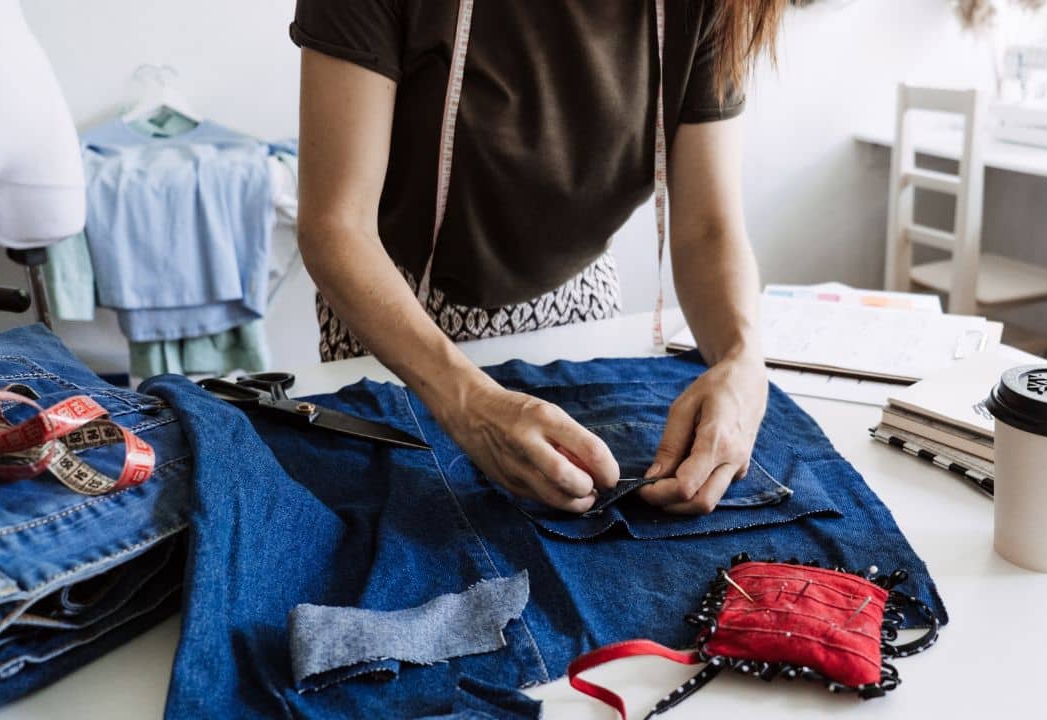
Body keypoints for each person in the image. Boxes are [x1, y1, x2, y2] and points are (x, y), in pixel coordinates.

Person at [292, 0, 785, 516]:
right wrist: (467, 401)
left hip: (576, 305)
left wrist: (742, 358)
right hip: (393, 317)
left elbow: (708, 230)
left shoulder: (712, 6)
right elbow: (336, 227)